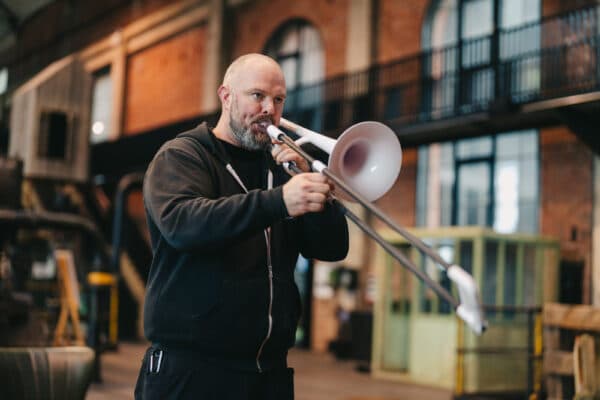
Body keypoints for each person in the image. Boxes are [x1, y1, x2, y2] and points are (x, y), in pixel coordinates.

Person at [134, 53, 349, 399]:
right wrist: (279, 202)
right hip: (192, 370)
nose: (269, 108)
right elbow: (185, 224)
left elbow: (333, 248)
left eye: (278, 99)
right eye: (257, 95)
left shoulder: (283, 166)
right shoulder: (183, 156)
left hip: (268, 373)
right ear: (226, 96)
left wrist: (314, 188)